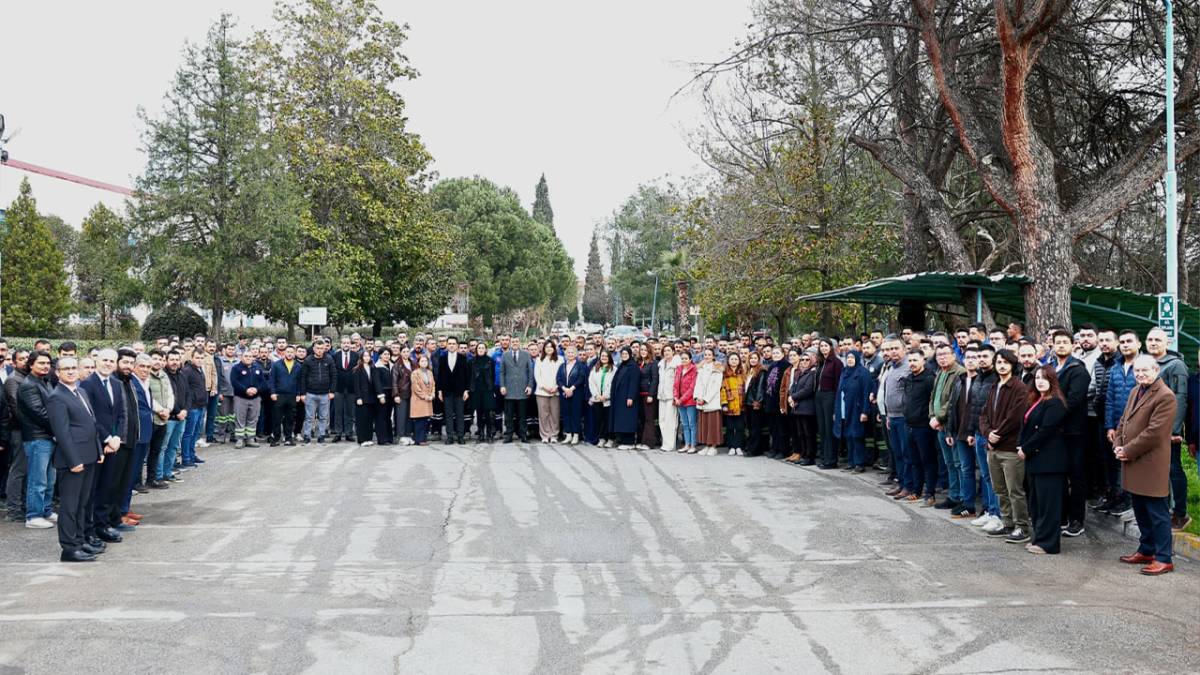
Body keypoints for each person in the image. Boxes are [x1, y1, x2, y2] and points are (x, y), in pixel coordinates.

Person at [1114, 354, 1177, 575]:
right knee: (1140, 510)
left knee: (1157, 513)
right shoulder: (1135, 391)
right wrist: (1117, 444)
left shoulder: (1165, 396)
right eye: (1137, 371)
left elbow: (1154, 433)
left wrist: (1127, 450)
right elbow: (1124, 421)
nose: (1140, 374)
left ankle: (1164, 557)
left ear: (1156, 370)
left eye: (1145, 370)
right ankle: (1147, 549)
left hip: (1150, 463)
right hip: (1132, 460)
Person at [46, 357, 104, 562]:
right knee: (70, 506)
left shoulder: (81, 392)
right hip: (73, 460)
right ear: (58, 373)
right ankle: (69, 548)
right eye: (65, 369)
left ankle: (80, 541)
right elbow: (62, 433)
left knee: (82, 503)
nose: (70, 372)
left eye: (73, 368)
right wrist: (73, 460)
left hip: (89, 456)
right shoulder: (56, 397)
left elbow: (92, 424)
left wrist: (99, 451)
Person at [979, 349, 1031, 542]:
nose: (1001, 365)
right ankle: (1007, 523)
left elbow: (1015, 417)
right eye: (998, 362)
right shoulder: (994, 386)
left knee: (1014, 490)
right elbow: (983, 414)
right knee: (999, 489)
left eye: (1005, 362)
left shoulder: (1019, 388)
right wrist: (987, 433)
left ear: (1012, 365)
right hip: (993, 448)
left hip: (1009, 448)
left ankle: (1022, 527)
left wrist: (997, 434)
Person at [1018, 365, 1069, 554]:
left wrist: (1026, 448)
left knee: (1049, 506)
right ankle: (1039, 538)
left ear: (1052, 381)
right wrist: (1021, 445)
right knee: (1037, 504)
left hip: (1050, 462)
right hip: (1036, 461)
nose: (1039, 381)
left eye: (1044, 378)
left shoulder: (1055, 403)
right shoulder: (1037, 400)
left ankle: (1049, 544)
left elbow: (1045, 431)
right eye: (1037, 377)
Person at [1144, 327, 1190, 531]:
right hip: (1149, 428)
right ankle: (1163, 510)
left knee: (1173, 469)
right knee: (1156, 471)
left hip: (1168, 429)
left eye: (1157, 339)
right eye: (1150, 339)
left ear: (1167, 343)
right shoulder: (1145, 364)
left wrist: (1174, 429)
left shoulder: (1176, 365)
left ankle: (1180, 513)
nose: (1153, 343)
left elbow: (1181, 398)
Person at [1050, 330, 1091, 538]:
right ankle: (1063, 517)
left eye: (1065, 342)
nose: (1061, 345)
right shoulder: (1051, 369)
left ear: (1073, 345)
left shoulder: (1078, 370)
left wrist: (1051, 415)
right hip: (1056, 432)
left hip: (1074, 431)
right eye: (1058, 342)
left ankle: (1077, 520)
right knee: (1060, 475)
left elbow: (1074, 400)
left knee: (1076, 476)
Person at [1102, 330, 1140, 517]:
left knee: (1131, 463)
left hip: (1136, 425)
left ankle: (1129, 501)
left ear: (1138, 344)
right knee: (1116, 463)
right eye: (1122, 341)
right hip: (1117, 425)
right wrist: (1110, 426)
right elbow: (1109, 399)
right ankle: (1117, 498)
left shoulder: (1143, 367)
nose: (1125, 345)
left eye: (1129, 341)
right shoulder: (1116, 367)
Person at [18, 351, 56, 529]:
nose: (46, 366)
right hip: (37, 438)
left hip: (48, 437)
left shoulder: (44, 381)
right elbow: (40, 414)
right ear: (31, 364)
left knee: (49, 479)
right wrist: (59, 428)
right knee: (38, 480)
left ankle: (46, 510)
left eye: (48, 363)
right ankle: (33, 516)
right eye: (41, 363)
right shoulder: (28, 385)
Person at [929, 344, 966, 510]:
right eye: (939, 355)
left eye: (945, 354)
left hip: (952, 426)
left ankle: (962, 497)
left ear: (953, 355)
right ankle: (953, 494)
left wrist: (939, 417)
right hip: (939, 425)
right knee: (949, 463)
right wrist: (932, 416)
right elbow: (933, 397)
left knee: (958, 463)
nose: (942, 357)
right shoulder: (940, 372)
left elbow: (953, 401)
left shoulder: (959, 372)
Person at [834, 351, 873, 472]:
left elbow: (867, 392)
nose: (850, 360)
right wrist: (836, 412)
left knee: (857, 436)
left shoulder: (863, 373)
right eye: (848, 358)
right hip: (844, 409)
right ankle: (851, 462)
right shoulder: (844, 372)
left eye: (852, 357)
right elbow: (838, 393)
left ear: (857, 358)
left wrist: (865, 412)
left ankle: (859, 463)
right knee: (848, 436)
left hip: (857, 409)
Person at [814, 340, 844, 468]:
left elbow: (839, 384)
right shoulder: (821, 362)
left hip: (830, 396)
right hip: (819, 396)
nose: (823, 348)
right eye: (821, 346)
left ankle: (831, 460)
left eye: (826, 346)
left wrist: (836, 405)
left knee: (829, 428)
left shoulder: (836, 362)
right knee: (822, 429)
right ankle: (825, 457)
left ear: (831, 347)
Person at [230, 350, 267, 449]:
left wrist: (256, 389)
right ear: (241, 357)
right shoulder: (236, 368)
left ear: (253, 358)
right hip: (241, 398)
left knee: (253, 419)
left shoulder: (257, 368)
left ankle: (250, 438)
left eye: (250, 356)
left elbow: (263, 382)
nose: (248, 358)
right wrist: (245, 390)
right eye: (246, 356)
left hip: (255, 398)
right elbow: (234, 382)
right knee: (240, 419)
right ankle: (240, 439)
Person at [300, 341, 336, 444]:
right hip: (310, 394)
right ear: (314, 349)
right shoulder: (308, 360)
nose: (319, 350)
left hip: (325, 394)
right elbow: (303, 378)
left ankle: (321, 436)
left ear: (324, 349)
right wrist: (303, 393)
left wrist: (332, 391)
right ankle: (307, 436)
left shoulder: (329, 359)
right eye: (317, 348)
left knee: (323, 417)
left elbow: (334, 375)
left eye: (321, 348)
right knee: (309, 417)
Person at [437, 337, 471, 445]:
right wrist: (439, 391)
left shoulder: (462, 358)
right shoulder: (442, 358)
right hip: (446, 391)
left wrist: (466, 390)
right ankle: (450, 436)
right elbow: (440, 376)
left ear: (456, 346)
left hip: (459, 391)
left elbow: (466, 375)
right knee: (448, 415)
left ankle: (460, 436)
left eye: (453, 344)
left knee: (460, 414)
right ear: (446, 345)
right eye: (449, 343)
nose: (451, 345)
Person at [500, 337, 534, 443]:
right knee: (509, 415)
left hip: (522, 389)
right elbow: (502, 372)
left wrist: (529, 386)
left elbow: (530, 371)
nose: (515, 343)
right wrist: (502, 386)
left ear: (520, 343)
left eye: (517, 341)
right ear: (510, 343)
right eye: (513, 342)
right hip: (509, 390)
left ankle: (523, 435)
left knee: (522, 415)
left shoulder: (526, 354)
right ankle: (509, 435)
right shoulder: (505, 355)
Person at [787, 351, 818, 465]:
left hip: (807, 409)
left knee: (808, 433)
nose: (804, 362)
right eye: (802, 360)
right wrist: (791, 397)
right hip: (798, 408)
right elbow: (794, 386)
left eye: (807, 360)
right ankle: (804, 454)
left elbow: (808, 389)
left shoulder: (812, 373)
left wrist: (793, 397)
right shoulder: (800, 373)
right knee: (801, 433)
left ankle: (810, 456)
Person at [268, 345, 302, 447]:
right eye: (288, 352)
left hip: (292, 395)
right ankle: (276, 438)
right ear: (284, 353)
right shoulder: (277, 365)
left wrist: (298, 394)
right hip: (279, 395)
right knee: (277, 418)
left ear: (295, 353)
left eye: (292, 352)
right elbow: (272, 380)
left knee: (290, 418)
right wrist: (273, 392)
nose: (290, 354)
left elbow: (299, 381)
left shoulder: (298, 366)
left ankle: (288, 438)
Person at [179, 349, 208, 468]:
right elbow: (185, 389)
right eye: (197, 357)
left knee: (195, 433)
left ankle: (192, 455)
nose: (199, 360)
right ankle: (186, 458)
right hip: (192, 407)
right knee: (188, 434)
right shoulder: (187, 371)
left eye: (201, 358)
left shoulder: (200, 370)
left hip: (201, 406)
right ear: (191, 357)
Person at [693, 348, 724, 455]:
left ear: (713, 356)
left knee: (713, 425)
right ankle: (706, 445)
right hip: (701, 401)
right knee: (704, 424)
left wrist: (706, 399)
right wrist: (697, 397)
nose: (707, 357)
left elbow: (716, 387)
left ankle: (713, 446)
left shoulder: (717, 370)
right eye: (705, 355)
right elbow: (698, 385)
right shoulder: (701, 369)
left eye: (709, 355)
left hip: (712, 401)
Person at [610, 346, 641, 450]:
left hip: (628, 397)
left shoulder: (633, 367)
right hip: (620, 398)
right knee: (622, 420)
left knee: (628, 420)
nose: (624, 356)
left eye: (626, 354)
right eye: (622, 354)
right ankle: (623, 441)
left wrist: (630, 397)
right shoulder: (622, 365)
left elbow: (634, 383)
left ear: (630, 355)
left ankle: (629, 442)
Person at [534, 340, 562, 444]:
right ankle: (545, 435)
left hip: (556, 391)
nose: (549, 348)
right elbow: (537, 376)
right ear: (543, 348)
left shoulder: (560, 360)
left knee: (555, 414)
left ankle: (554, 435)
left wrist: (556, 387)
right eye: (547, 347)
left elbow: (561, 375)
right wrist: (544, 387)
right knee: (543, 414)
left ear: (554, 348)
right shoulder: (539, 360)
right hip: (542, 391)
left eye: (551, 347)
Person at [333, 336, 360, 443]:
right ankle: (338, 433)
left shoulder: (356, 356)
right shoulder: (335, 356)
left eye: (348, 343)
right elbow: (333, 373)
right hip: (338, 388)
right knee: (338, 411)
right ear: (341, 344)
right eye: (344, 343)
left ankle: (349, 433)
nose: (346, 345)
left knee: (350, 412)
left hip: (351, 388)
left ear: (350, 344)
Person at [560, 345, 587, 445]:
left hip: (576, 393)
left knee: (575, 414)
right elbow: (558, 379)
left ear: (576, 354)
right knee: (566, 414)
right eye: (568, 353)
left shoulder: (580, 366)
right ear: (566, 354)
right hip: (564, 393)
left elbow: (581, 378)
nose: (570, 354)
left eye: (572, 353)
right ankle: (568, 435)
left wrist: (571, 389)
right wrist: (564, 388)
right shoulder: (562, 366)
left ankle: (576, 435)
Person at [720, 353, 746, 456]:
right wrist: (724, 403)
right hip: (729, 404)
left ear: (739, 361)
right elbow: (722, 390)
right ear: (728, 361)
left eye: (736, 359)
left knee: (740, 427)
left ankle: (738, 446)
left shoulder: (743, 373)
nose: (734, 361)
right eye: (732, 359)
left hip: (741, 404)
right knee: (730, 427)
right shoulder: (724, 374)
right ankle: (731, 446)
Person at [469, 343, 495, 443]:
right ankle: (480, 434)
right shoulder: (471, 361)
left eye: (482, 348)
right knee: (479, 413)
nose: (480, 349)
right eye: (479, 348)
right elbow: (470, 376)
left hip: (487, 390)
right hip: (476, 390)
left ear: (486, 350)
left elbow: (492, 375)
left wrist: (492, 388)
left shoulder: (490, 361)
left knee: (488, 413)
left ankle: (489, 434)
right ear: (476, 349)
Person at [588, 350, 615, 447]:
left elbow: (613, 384)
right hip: (597, 399)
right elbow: (591, 383)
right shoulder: (595, 368)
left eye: (606, 356)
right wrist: (597, 395)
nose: (604, 357)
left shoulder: (614, 369)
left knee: (608, 420)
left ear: (609, 357)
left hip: (608, 400)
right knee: (599, 420)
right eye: (602, 356)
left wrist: (606, 396)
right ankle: (601, 438)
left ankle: (610, 439)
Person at [674, 352, 699, 454]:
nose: (684, 360)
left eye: (686, 358)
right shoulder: (679, 369)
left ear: (690, 359)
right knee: (684, 424)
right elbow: (675, 385)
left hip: (690, 401)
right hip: (679, 402)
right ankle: (686, 444)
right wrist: (676, 397)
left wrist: (681, 399)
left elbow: (692, 388)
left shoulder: (694, 370)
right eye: (682, 358)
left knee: (692, 424)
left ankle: (693, 445)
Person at [656, 344, 679, 452]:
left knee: (671, 421)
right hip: (662, 395)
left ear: (673, 352)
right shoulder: (661, 364)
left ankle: (670, 444)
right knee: (662, 420)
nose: (666, 353)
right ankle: (665, 443)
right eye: (664, 351)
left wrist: (676, 396)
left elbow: (678, 382)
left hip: (671, 396)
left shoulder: (676, 364)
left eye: (669, 350)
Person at [742, 352, 766, 457]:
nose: (753, 360)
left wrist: (758, 401)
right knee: (750, 427)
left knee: (756, 427)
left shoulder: (761, 371)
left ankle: (754, 450)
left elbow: (761, 387)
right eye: (751, 358)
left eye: (755, 358)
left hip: (755, 403)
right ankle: (752, 447)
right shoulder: (748, 371)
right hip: (747, 402)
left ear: (759, 359)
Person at [637, 343, 659, 450]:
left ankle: (649, 442)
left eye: (645, 350)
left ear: (649, 351)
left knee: (649, 419)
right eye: (641, 349)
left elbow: (655, 379)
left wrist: (651, 394)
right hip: (639, 394)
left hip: (648, 395)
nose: (643, 351)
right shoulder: (639, 363)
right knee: (641, 418)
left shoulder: (653, 363)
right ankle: (641, 440)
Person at [352, 352, 377, 447]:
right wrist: (358, 397)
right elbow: (356, 385)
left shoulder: (373, 368)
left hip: (371, 398)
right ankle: (362, 439)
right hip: (361, 398)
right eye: (365, 356)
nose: (367, 358)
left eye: (368, 356)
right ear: (361, 357)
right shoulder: (357, 369)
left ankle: (369, 438)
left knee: (369, 419)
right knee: (361, 419)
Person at [410, 355, 436, 446]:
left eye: (425, 361)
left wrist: (432, 394)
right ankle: (419, 439)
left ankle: (423, 438)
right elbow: (415, 388)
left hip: (428, 399)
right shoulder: (415, 373)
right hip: (419, 399)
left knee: (425, 420)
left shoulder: (430, 372)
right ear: (418, 363)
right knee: (419, 420)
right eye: (422, 361)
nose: (424, 363)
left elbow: (433, 385)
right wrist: (425, 396)